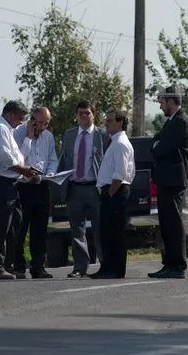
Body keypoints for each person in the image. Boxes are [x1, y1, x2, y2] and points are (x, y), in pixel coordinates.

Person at [0, 100, 37, 280]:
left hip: (9, 182)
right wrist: (24, 171)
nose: (20, 122)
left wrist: (24, 171)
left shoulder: (7, 129)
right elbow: (4, 158)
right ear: (10, 114)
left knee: (13, 224)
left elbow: (16, 156)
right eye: (19, 118)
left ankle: (6, 264)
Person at [58, 100, 108, 279]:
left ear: (94, 114)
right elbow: (64, 160)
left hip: (95, 188)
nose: (84, 116)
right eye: (81, 113)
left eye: (87, 113)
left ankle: (106, 264)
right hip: (75, 188)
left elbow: (108, 161)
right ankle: (80, 267)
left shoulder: (102, 134)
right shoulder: (70, 135)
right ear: (77, 115)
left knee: (100, 228)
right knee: (77, 230)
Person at [148, 86, 188, 280]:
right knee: (166, 223)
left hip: (174, 179)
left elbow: (162, 147)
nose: (160, 106)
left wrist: (158, 145)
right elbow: (155, 142)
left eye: (162, 102)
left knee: (174, 223)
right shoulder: (171, 122)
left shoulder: (181, 121)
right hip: (166, 179)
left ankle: (178, 265)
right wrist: (157, 145)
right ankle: (169, 263)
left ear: (171, 102)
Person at [11, 106, 57, 279]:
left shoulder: (48, 137)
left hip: (42, 185)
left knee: (40, 229)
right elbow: (18, 160)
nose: (43, 127)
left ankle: (38, 266)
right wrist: (29, 137)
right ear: (31, 120)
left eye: (46, 123)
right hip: (23, 186)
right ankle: (19, 266)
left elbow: (52, 159)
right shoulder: (17, 134)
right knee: (21, 228)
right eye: (39, 123)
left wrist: (49, 175)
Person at [89, 110, 135, 279]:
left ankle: (116, 270)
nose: (105, 123)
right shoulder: (113, 142)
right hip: (110, 190)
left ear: (120, 122)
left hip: (116, 191)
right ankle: (106, 267)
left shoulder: (121, 143)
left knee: (115, 232)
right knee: (106, 232)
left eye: (109, 120)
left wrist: (109, 194)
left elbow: (120, 174)